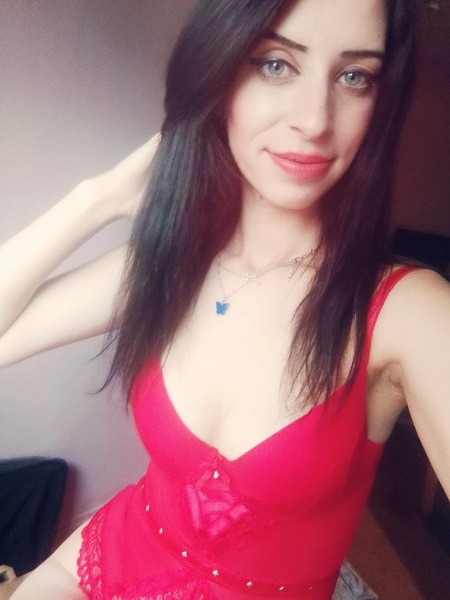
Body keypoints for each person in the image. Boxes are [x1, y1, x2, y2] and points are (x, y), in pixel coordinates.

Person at [2, 0, 450, 598]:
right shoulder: (172, 262)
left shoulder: (405, 311)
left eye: (353, 76)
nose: (315, 120)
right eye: (276, 64)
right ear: (218, 73)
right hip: (100, 562)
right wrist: (99, 199)